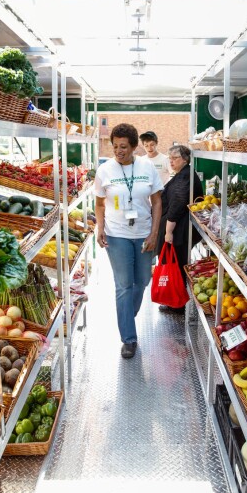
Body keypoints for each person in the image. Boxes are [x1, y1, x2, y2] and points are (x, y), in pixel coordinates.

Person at [95, 123, 164, 359]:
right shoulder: (105, 170)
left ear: (134, 146)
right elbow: (99, 203)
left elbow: (156, 202)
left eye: (123, 146)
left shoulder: (147, 167)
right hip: (117, 234)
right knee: (123, 285)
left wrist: (155, 233)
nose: (118, 151)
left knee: (142, 281)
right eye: (115, 146)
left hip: (144, 233)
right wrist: (100, 227)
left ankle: (126, 315)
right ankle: (129, 338)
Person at [156, 145, 203, 313]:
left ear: (185, 159)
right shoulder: (184, 174)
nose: (171, 161)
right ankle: (174, 300)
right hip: (180, 230)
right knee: (175, 265)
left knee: (175, 266)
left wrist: (168, 231)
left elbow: (177, 205)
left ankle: (176, 304)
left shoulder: (185, 177)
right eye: (170, 158)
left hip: (179, 231)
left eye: (174, 158)